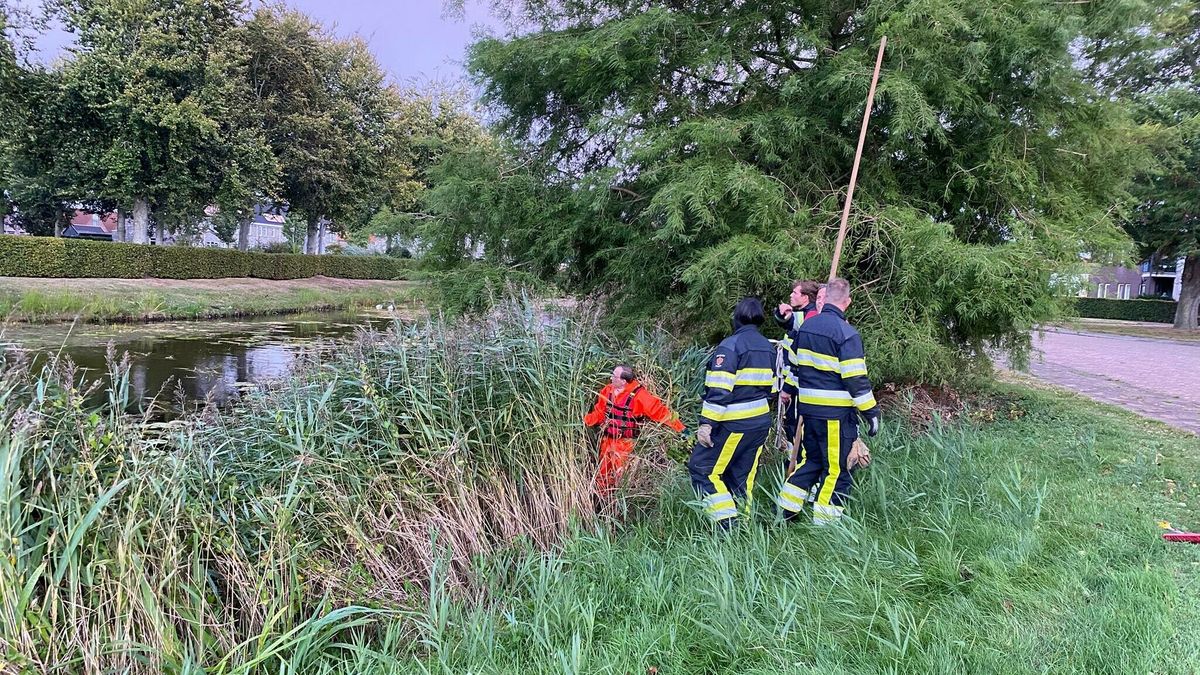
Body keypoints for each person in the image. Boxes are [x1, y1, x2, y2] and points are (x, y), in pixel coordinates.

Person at [776, 278, 880, 525]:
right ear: (848, 302)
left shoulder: (807, 328)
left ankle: (784, 512)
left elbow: (794, 365)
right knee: (837, 470)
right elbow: (856, 380)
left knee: (811, 462)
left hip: (808, 412)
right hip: (835, 415)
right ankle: (825, 528)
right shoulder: (847, 334)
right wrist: (871, 413)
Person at [688, 297, 777, 529]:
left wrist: (707, 424)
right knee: (743, 476)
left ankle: (726, 523)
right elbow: (773, 388)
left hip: (733, 422)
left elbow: (719, 388)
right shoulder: (768, 347)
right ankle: (743, 526)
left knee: (703, 470)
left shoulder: (730, 346)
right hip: (760, 422)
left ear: (736, 317)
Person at [584, 364, 685, 493]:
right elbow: (599, 413)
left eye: (614, 376)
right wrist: (583, 420)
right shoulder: (607, 391)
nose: (610, 378)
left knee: (621, 476)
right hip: (607, 441)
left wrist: (681, 429)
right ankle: (602, 502)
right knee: (603, 474)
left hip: (625, 444)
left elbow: (660, 413)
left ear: (623, 381)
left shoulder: (639, 395)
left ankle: (620, 504)